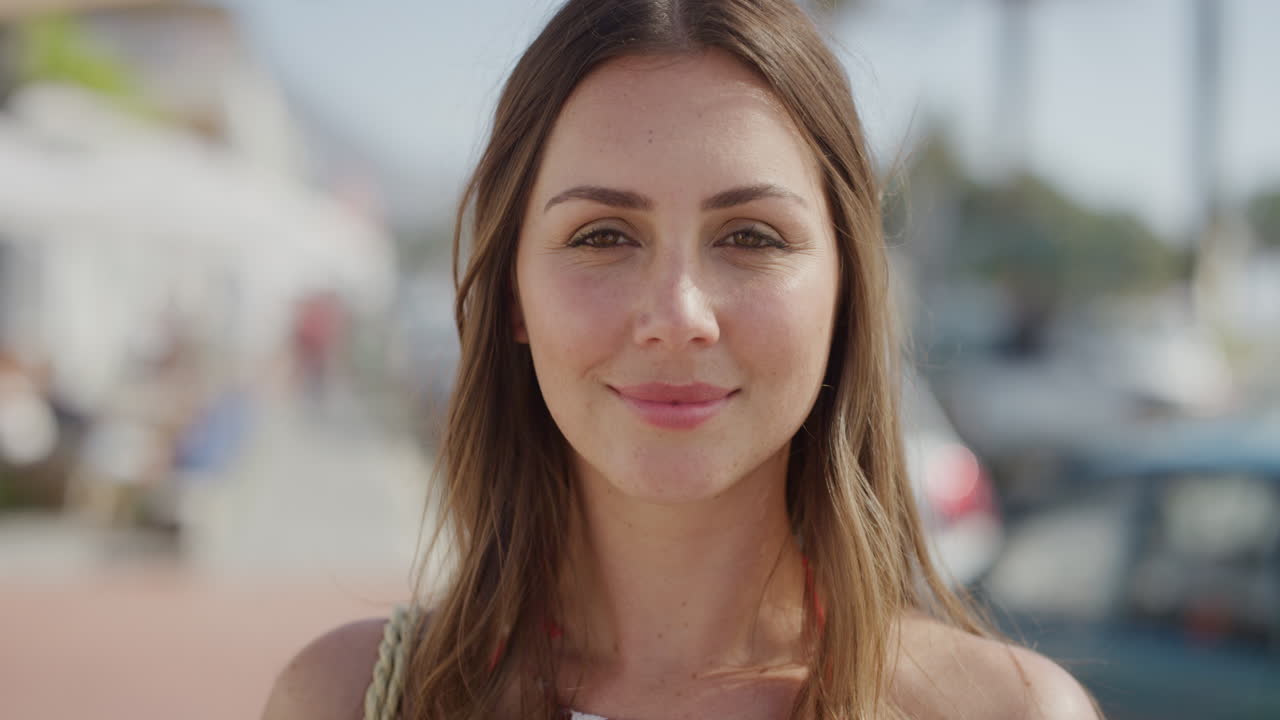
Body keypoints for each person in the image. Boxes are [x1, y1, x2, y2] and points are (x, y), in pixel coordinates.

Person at [264, 1, 1100, 718]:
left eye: (749, 237)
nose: (677, 316)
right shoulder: (349, 700)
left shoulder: (1007, 712)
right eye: (602, 235)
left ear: (845, 289)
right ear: (514, 293)